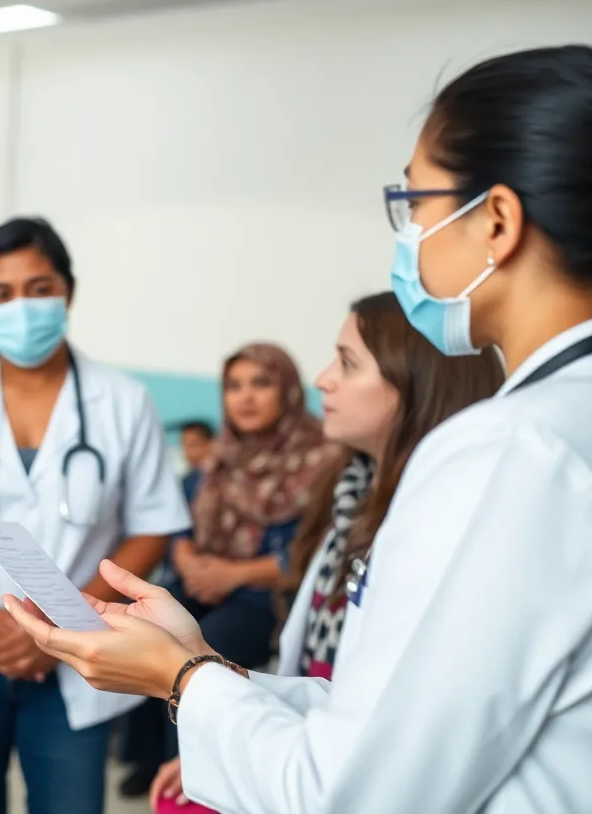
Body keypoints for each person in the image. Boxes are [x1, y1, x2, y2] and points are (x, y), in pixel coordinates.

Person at [4, 44, 592, 814]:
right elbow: (392, 729)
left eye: (417, 204)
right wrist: (198, 658)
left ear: (497, 221)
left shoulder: (511, 451)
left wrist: (175, 679)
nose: (408, 235)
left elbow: (348, 793)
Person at [149, 291, 504, 810]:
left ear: (417, 382)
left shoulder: (441, 524)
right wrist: (209, 706)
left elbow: (368, 738)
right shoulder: (350, 486)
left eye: (347, 362)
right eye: (234, 386)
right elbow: (337, 697)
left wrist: (194, 679)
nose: (324, 380)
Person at [0, 216, 191, 814]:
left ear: (68, 293)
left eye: (40, 287)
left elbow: (152, 525)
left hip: (81, 657)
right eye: (1, 293)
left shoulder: (123, 401)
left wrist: (63, 621)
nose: (21, 307)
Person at [120, 344, 331, 797]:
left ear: (289, 391)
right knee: (140, 624)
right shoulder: (217, 457)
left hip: (264, 597)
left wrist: (233, 575)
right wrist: (189, 561)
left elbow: (313, 555)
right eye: (234, 386)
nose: (246, 397)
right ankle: (149, 756)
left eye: (261, 383)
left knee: (204, 645)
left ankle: (192, 773)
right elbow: (176, 522)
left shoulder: (324, 461)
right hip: (200, 580)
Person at [176, 420, 214, 504]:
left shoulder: (222, 477)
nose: (186, 451)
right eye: (183, 445)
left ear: (211, 444)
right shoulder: (186, 482)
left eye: (192, 445)